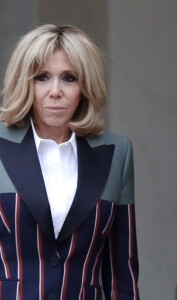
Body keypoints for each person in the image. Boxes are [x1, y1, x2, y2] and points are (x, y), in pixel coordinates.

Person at [0, 24, 139, 300]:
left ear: (85, 86)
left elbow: (122, 270)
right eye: (42, 77)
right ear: (23, 81)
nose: (55, 91)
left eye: (69, 78)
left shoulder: (117, 152)